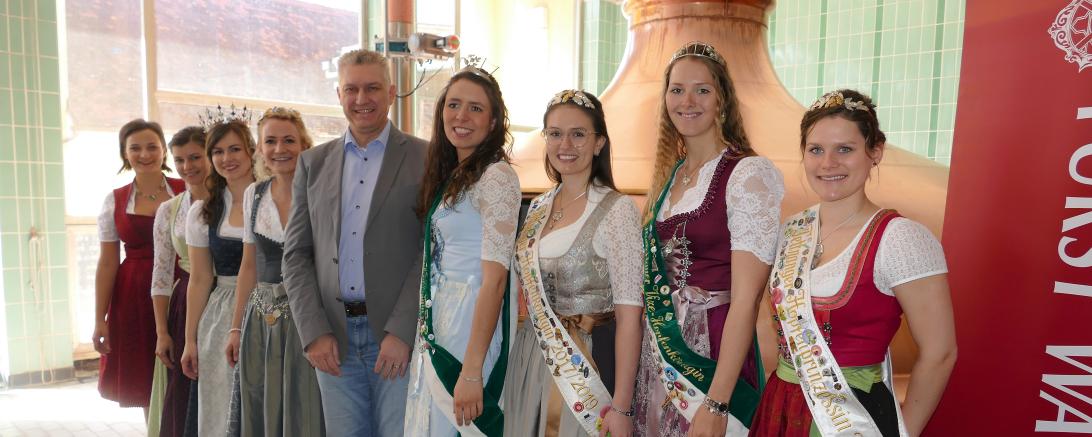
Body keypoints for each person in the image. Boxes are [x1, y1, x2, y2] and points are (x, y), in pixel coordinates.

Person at [748, 90, 956, 437]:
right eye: (816, 150)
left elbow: (941, 352)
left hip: (853, 416)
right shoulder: (791, 230)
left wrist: (905, 430)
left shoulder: (901, 239)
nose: (828, 163)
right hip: (781, 408)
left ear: (875, 152)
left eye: (844, 149)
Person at [633, 41, 785, 437]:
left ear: (723, 100)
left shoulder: (747, 174)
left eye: (702, 89)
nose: (688, 100)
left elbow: (748, 298)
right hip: (661, 352)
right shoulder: (671, 177)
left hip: (714, 349)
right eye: (677, 89)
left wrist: (717, 403)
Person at [282, 49, 427, 436]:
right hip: (333, 339)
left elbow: (429, 252)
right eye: (352, 89)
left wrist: (402, 330)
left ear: (391, 92)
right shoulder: (313, 163)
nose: (362, 99)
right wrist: (313, 331)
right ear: (339, 94)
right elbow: (295, 256)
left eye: (373, 88)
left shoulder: (425, 158)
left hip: (396, 341)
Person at [503, 89, 643, 437]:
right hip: (532, 356)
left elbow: (630, 317)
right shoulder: (537, 208)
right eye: (555, 133)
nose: (565, 143)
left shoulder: (617, 211)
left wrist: (623, 406)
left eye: (578, 133)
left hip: (588, 363)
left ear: (598, 143)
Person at [403, 65, 521, 437]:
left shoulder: (496, 176)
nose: (461, 116)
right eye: (453, 104)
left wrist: (471, 371)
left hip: (469, 321)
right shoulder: (455, 173)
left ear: (493, 120)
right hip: (440, 314)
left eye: (475, 108)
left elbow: (496, 280)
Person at [224, 107, 323, 436]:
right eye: (271, 141)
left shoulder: (319, 191)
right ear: (261, 149)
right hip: (262, 321)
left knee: (305, 406)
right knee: (262, 404)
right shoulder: (255, 193)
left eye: (289, 140)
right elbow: (248, 266)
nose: (280, 149)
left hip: (308, 315)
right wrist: (235, 328)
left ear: (304, 144)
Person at [94, 119, 186, 413]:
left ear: (164, 151)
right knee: (146, 377)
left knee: (185, 368)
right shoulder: (115, 200)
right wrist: (100, 318)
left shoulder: (187, 190)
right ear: (125, 153)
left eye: (152, 147)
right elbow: (108, 262)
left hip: (183, 285)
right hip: (133, 295)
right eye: (135, 148)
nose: (144, 154)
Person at [179, 117, 256, 436]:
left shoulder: (273, 199)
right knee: (220, 409)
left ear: (252, 151)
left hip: (269, 310)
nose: (227, 158)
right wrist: (189, 340)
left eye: (235, 149)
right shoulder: (203, 212)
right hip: (220, 315)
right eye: (218, 151)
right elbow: (199, 279)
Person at [150, 126, 209, 436]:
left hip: (226, 295)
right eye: (180, 160)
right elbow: (160, 275)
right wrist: (162, 332)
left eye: (196, 157)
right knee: (187, 385)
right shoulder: (168, 211)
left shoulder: (235, 201)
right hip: (185, 302)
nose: (188, 167)